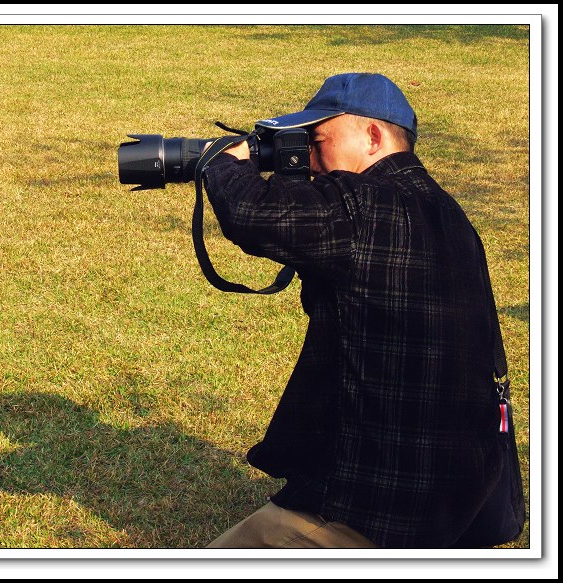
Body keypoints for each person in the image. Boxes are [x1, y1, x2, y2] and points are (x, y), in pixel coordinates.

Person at [202, 73, 509, 548]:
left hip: (373, 506)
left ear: (373, 135)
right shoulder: (448, 212)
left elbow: (251, 213)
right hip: (456, 500)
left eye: (318, 140)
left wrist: (224, 162)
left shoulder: (365, 206)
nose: (310, 160)